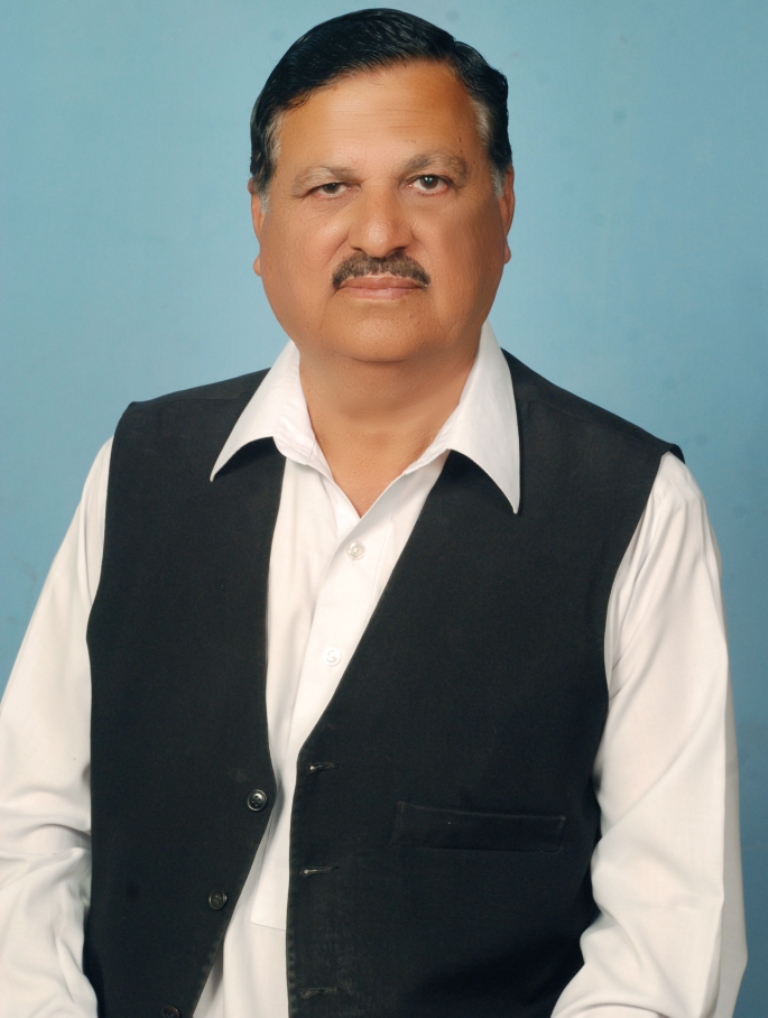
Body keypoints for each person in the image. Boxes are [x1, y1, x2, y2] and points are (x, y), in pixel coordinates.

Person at [0, 9, 747, 1018]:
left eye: (428, 181)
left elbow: (672, 934)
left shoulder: (635, 505)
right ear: (260, 220)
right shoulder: (143, 467)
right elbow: (28, 824)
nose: (381, 233)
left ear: (505, 206)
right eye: (329, 188)